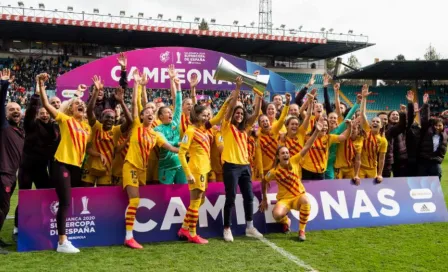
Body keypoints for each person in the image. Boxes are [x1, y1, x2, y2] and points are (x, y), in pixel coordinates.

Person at [123, 69, 179, 249]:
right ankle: (129, 237)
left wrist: (185, 149)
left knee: (136, 201)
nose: (149, 113)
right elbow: (134, 103)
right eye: (146, 111)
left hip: (143, 170)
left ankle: (133, 234)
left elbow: (171, 148)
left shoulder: (155, 134)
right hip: (130, 166)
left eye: (152, 112)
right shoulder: (137, 126)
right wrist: (137, 84)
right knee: (134, 201)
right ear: (141, 116)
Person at [38, 73, 90, 253]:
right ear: (70, 109)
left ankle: (65, 237)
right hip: (62, 164)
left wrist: (99, 154)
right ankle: (62, 242)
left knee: (69, 203)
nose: (80, 105)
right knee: (65, 203)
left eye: (81, 104)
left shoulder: (86, 126)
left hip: (77, 167)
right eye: (77, 104)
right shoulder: (65, 120)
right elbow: (46, 105)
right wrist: (41, 85)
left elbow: (86, 147)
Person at [259, 117, 324, 241]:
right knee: (277, 215)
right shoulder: (274, 172)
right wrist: (264, 198)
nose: (286, 155)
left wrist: (316, 131)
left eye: (287, 153)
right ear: (278, 157)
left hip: (298, 196)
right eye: (283, 153)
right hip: (284, 200)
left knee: (306, 199)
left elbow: (307, 146)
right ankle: (286, 220)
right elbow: (264, 181)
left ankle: (301, 231)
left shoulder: (294, 160)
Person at [14, 75, 60, 241]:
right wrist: (37, 91)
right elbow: (32, 108)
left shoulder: (54, 127)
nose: (44, 115)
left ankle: (44, 223)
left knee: (46, 195)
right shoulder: (31, 124)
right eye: (41, 113)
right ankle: (18, 227)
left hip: (41, 169)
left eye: (46, 112)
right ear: (37, 115)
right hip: (27, 168)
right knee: (25, 197)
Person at [221, 77, 263, 242]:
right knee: (230, 197)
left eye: (241, 113)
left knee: (249, 197)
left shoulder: (245, 130)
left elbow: (256, 113)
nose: (239, 115)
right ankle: (226, 228)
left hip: (245, 166)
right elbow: (230, 108)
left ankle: (249, 227)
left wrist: (259, 93)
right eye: (237, 113)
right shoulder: (227, 126)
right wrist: (237, 88)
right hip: (231, 167)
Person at [82, 76, 132, 187]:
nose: (110, 120)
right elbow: (89, 111)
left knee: (103, 196)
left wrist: (122, 102)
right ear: (101, 118)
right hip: (90, 167)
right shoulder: (96, 126)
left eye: (113, 118)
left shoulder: (116, 130)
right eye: (107, 117)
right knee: (85, 194)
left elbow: (130, 121)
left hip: (106, 169)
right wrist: (95, 92)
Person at [0, 69, 22, 255]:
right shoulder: (4, 126)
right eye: (11, 109)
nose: (15, 111)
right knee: (1, 208)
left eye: (17, 109)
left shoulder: (18, 130)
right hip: (2, 174)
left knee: (3, 208)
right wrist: (4, 85)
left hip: (11, 175)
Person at [154, 65, 186, 185]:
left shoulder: (175, 122)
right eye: (167, 112)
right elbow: (165, 144)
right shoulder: (157, 129)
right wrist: (178, 143)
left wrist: (178, 85)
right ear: (161, 117)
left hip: (180, 165)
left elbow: (178, 105)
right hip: (165, 168)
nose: (170, 113)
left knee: (183, 193)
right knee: (166, 197)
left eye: (170, 112)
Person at [359, 85, 387, 182]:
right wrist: (364, 97)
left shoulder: (383, 141)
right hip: (360, 168)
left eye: (377, 122)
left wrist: (379, 174)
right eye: (373, 121)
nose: (375, 123)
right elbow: (362, 114)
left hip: (372, 170)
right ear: (370, 124)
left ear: (382, 126)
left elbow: (382, 158)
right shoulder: (367, 130)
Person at [418, 94, 447, 181]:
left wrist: (438, 159)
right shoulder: (427, 131)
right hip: (424, 160)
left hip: (435, 162)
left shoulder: (445, 136)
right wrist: (426, 104)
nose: (437, 127)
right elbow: (425, 119)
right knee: (421, 182)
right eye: (435, 125)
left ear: (443, 126)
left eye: (439, 125)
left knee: (436, 182)